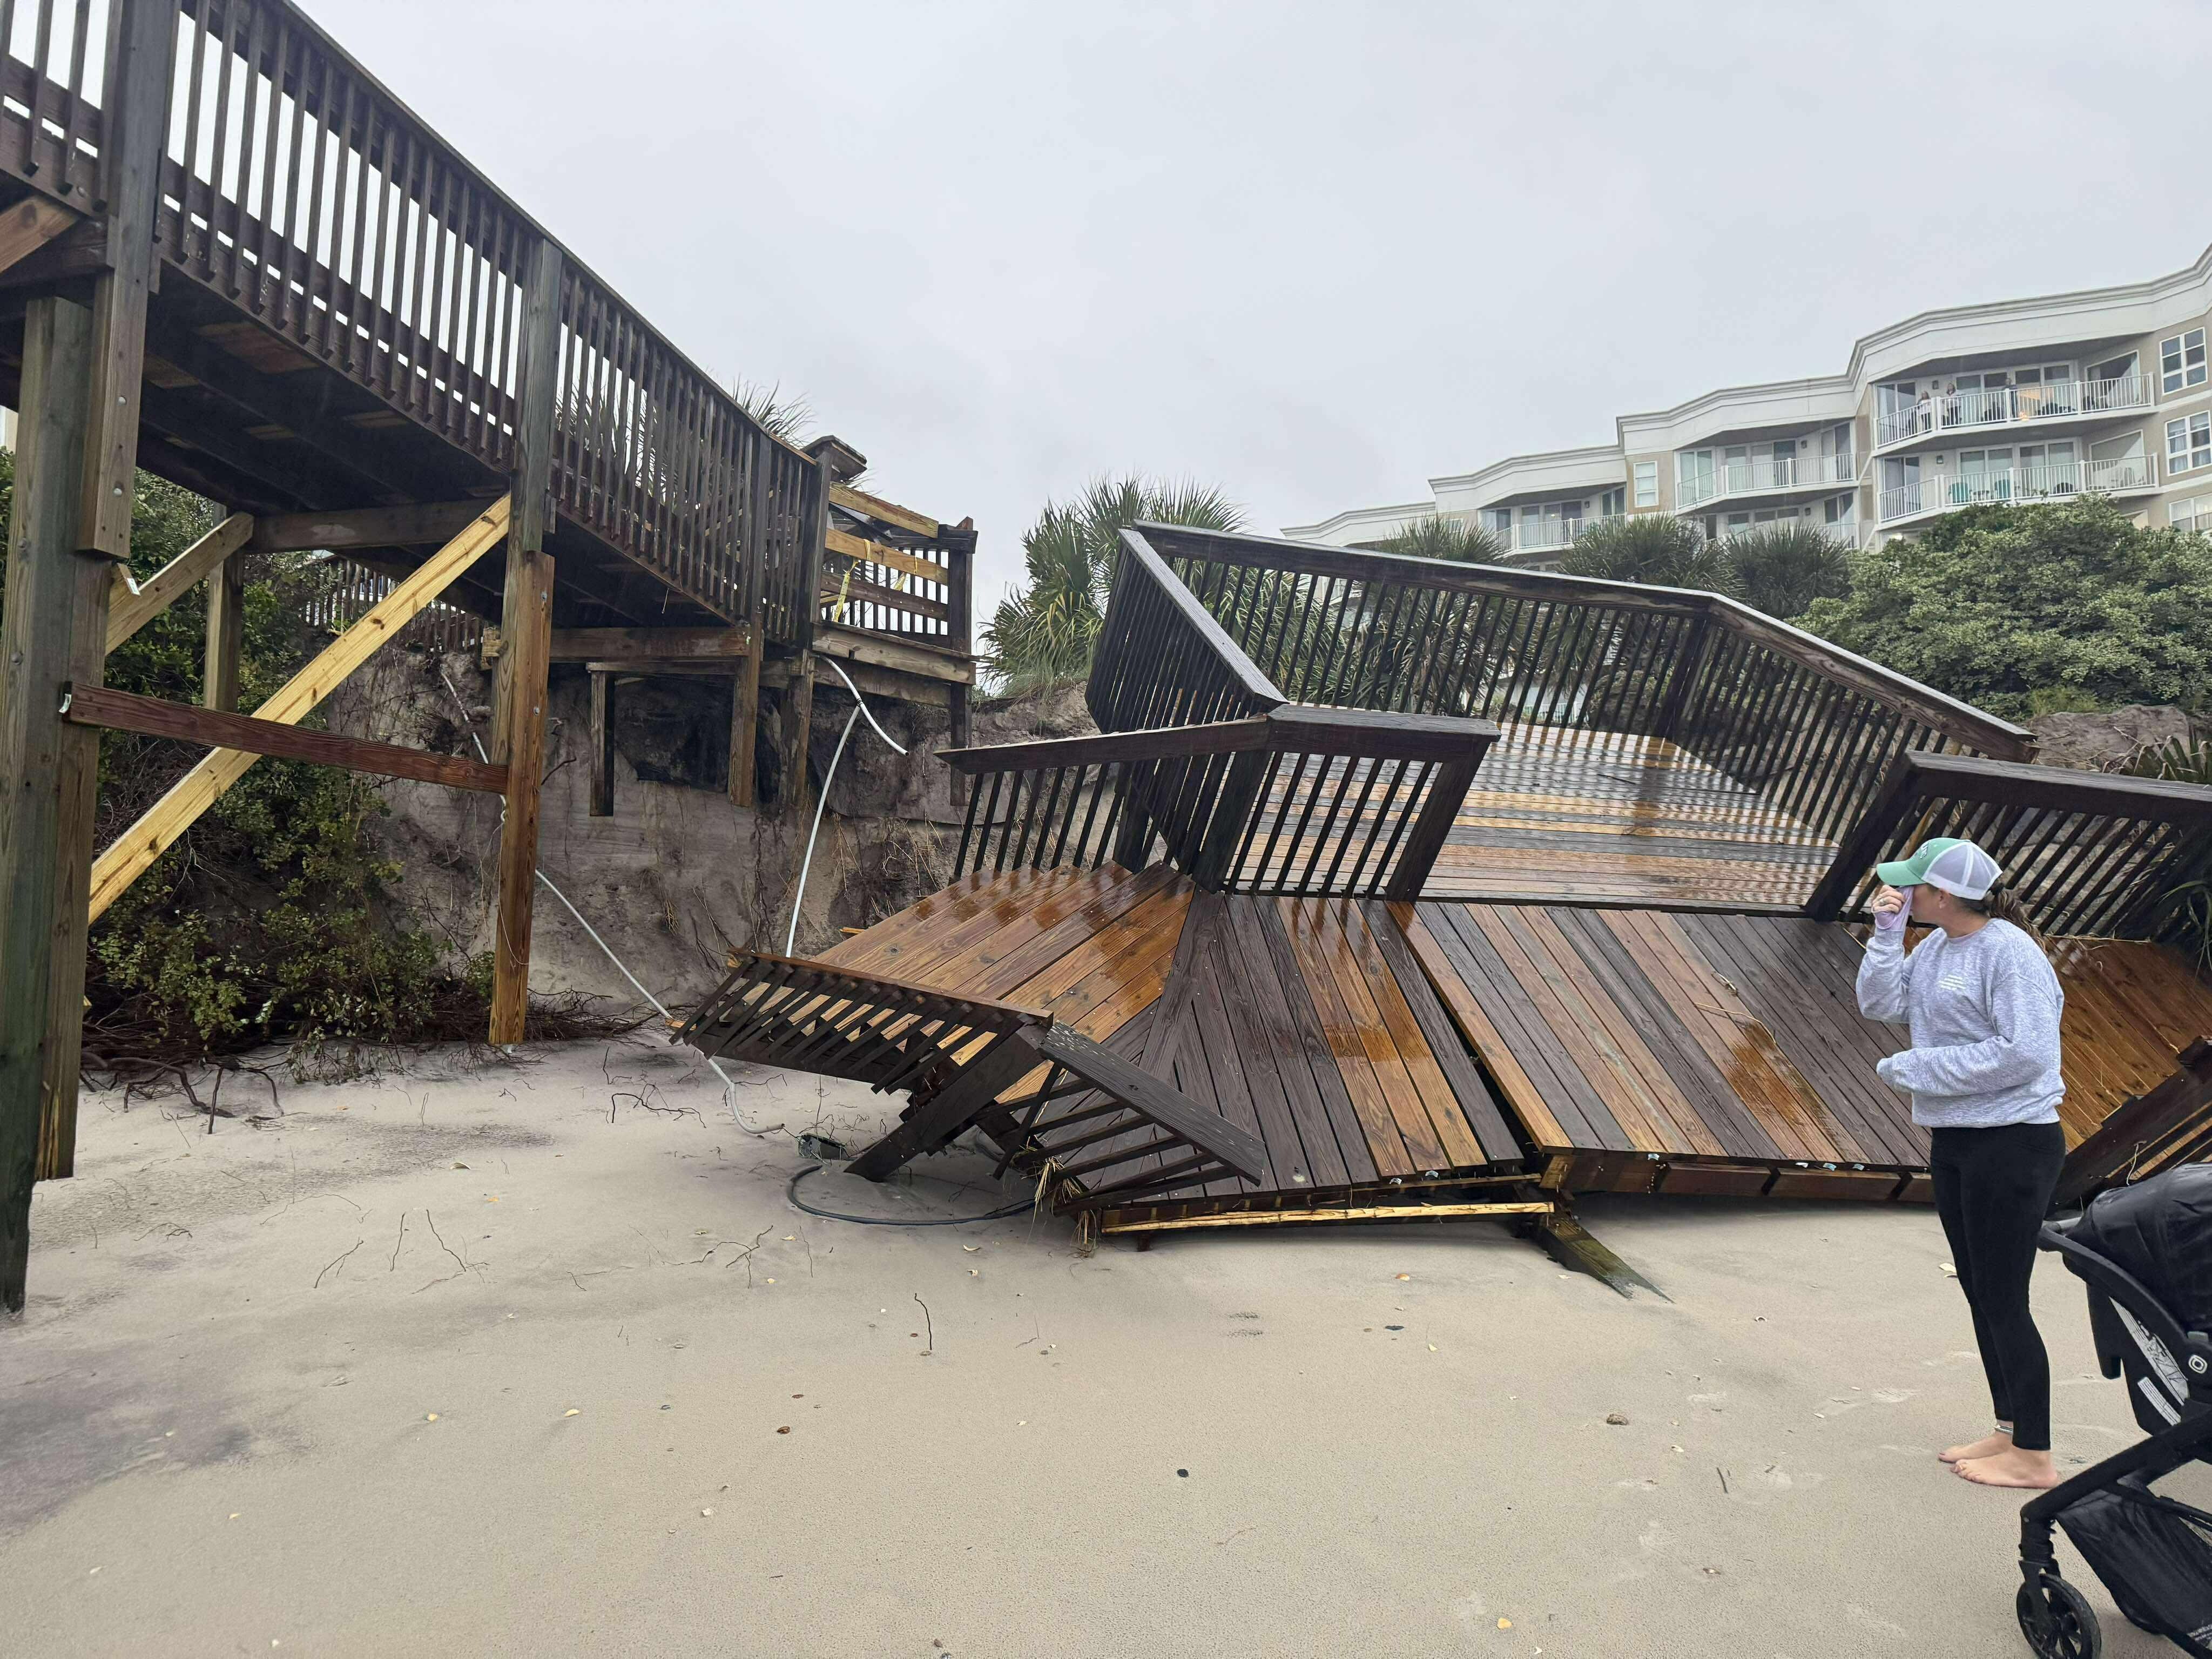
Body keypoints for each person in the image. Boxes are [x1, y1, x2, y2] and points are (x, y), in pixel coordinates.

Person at [1856, 837, 2067, 1491]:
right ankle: (2009, 1430)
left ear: (1942, 895)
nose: (1901, 892)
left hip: (2015, 1143)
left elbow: (2027, 1053)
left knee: (2004, 1296)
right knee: (1980, 1290)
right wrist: (1885, 936)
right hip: (1957, 1139)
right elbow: (1881, 1006)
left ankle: (2035, 1455)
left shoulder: (2010, 953)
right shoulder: (1937, 947)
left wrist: (1919, 1068)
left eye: (1911, 886)